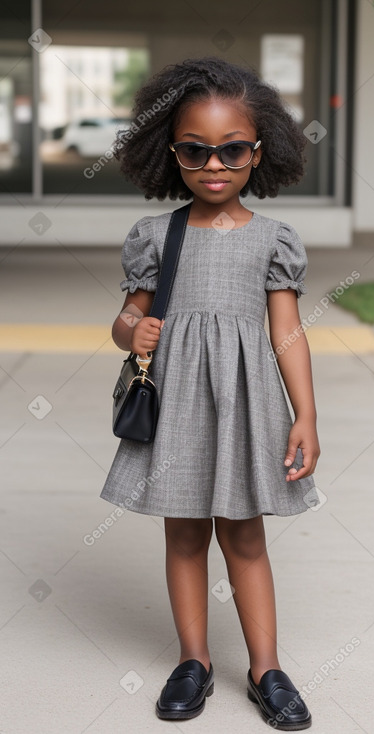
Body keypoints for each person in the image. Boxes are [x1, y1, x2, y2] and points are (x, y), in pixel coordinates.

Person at [100, 56, 320, 730]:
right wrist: (132, 331)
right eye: (195, 150)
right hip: (177, 405)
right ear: (170, 153)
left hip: (246, 405)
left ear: (259, 152)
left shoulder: (272, 240)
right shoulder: (157, 237)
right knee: (185, 535)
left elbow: (286, 334)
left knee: (245, 539)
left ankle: (265, 669)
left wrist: (304, 414)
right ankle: (191, 661)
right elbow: (125, 321)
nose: (214, 164)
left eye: (231, 149)